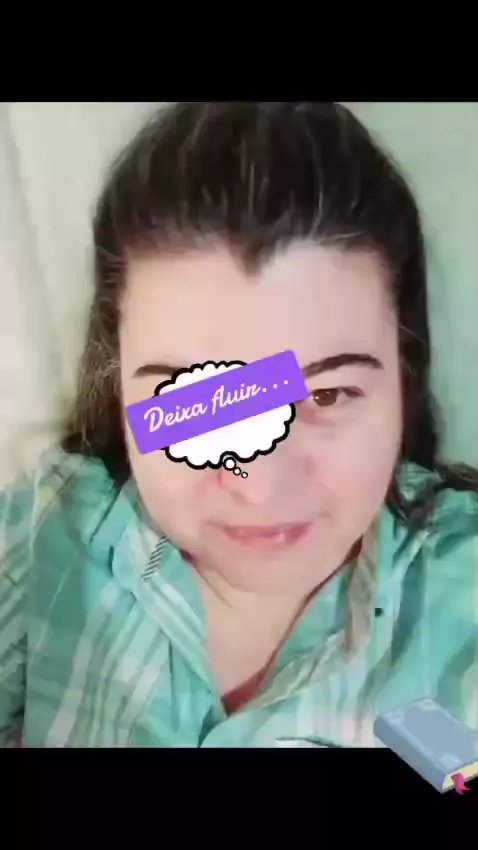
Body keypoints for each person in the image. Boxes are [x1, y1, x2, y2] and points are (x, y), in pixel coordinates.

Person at [1, 102, 477, 749]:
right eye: (198, 401)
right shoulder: (44, 534)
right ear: (116, 378)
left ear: (403, 376)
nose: (259, 488)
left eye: (327, 393)